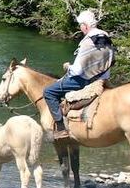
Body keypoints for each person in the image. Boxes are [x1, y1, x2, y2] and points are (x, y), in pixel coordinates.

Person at [43, 10, 113, 141]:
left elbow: (78, 70)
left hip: (84, 80)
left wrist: (68, 66)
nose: (81, 29)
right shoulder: (105, 37)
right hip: (103, 78)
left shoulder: (87, 42)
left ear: (85, 25)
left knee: (49, 91)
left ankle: (61, 129)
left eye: (81, 25)